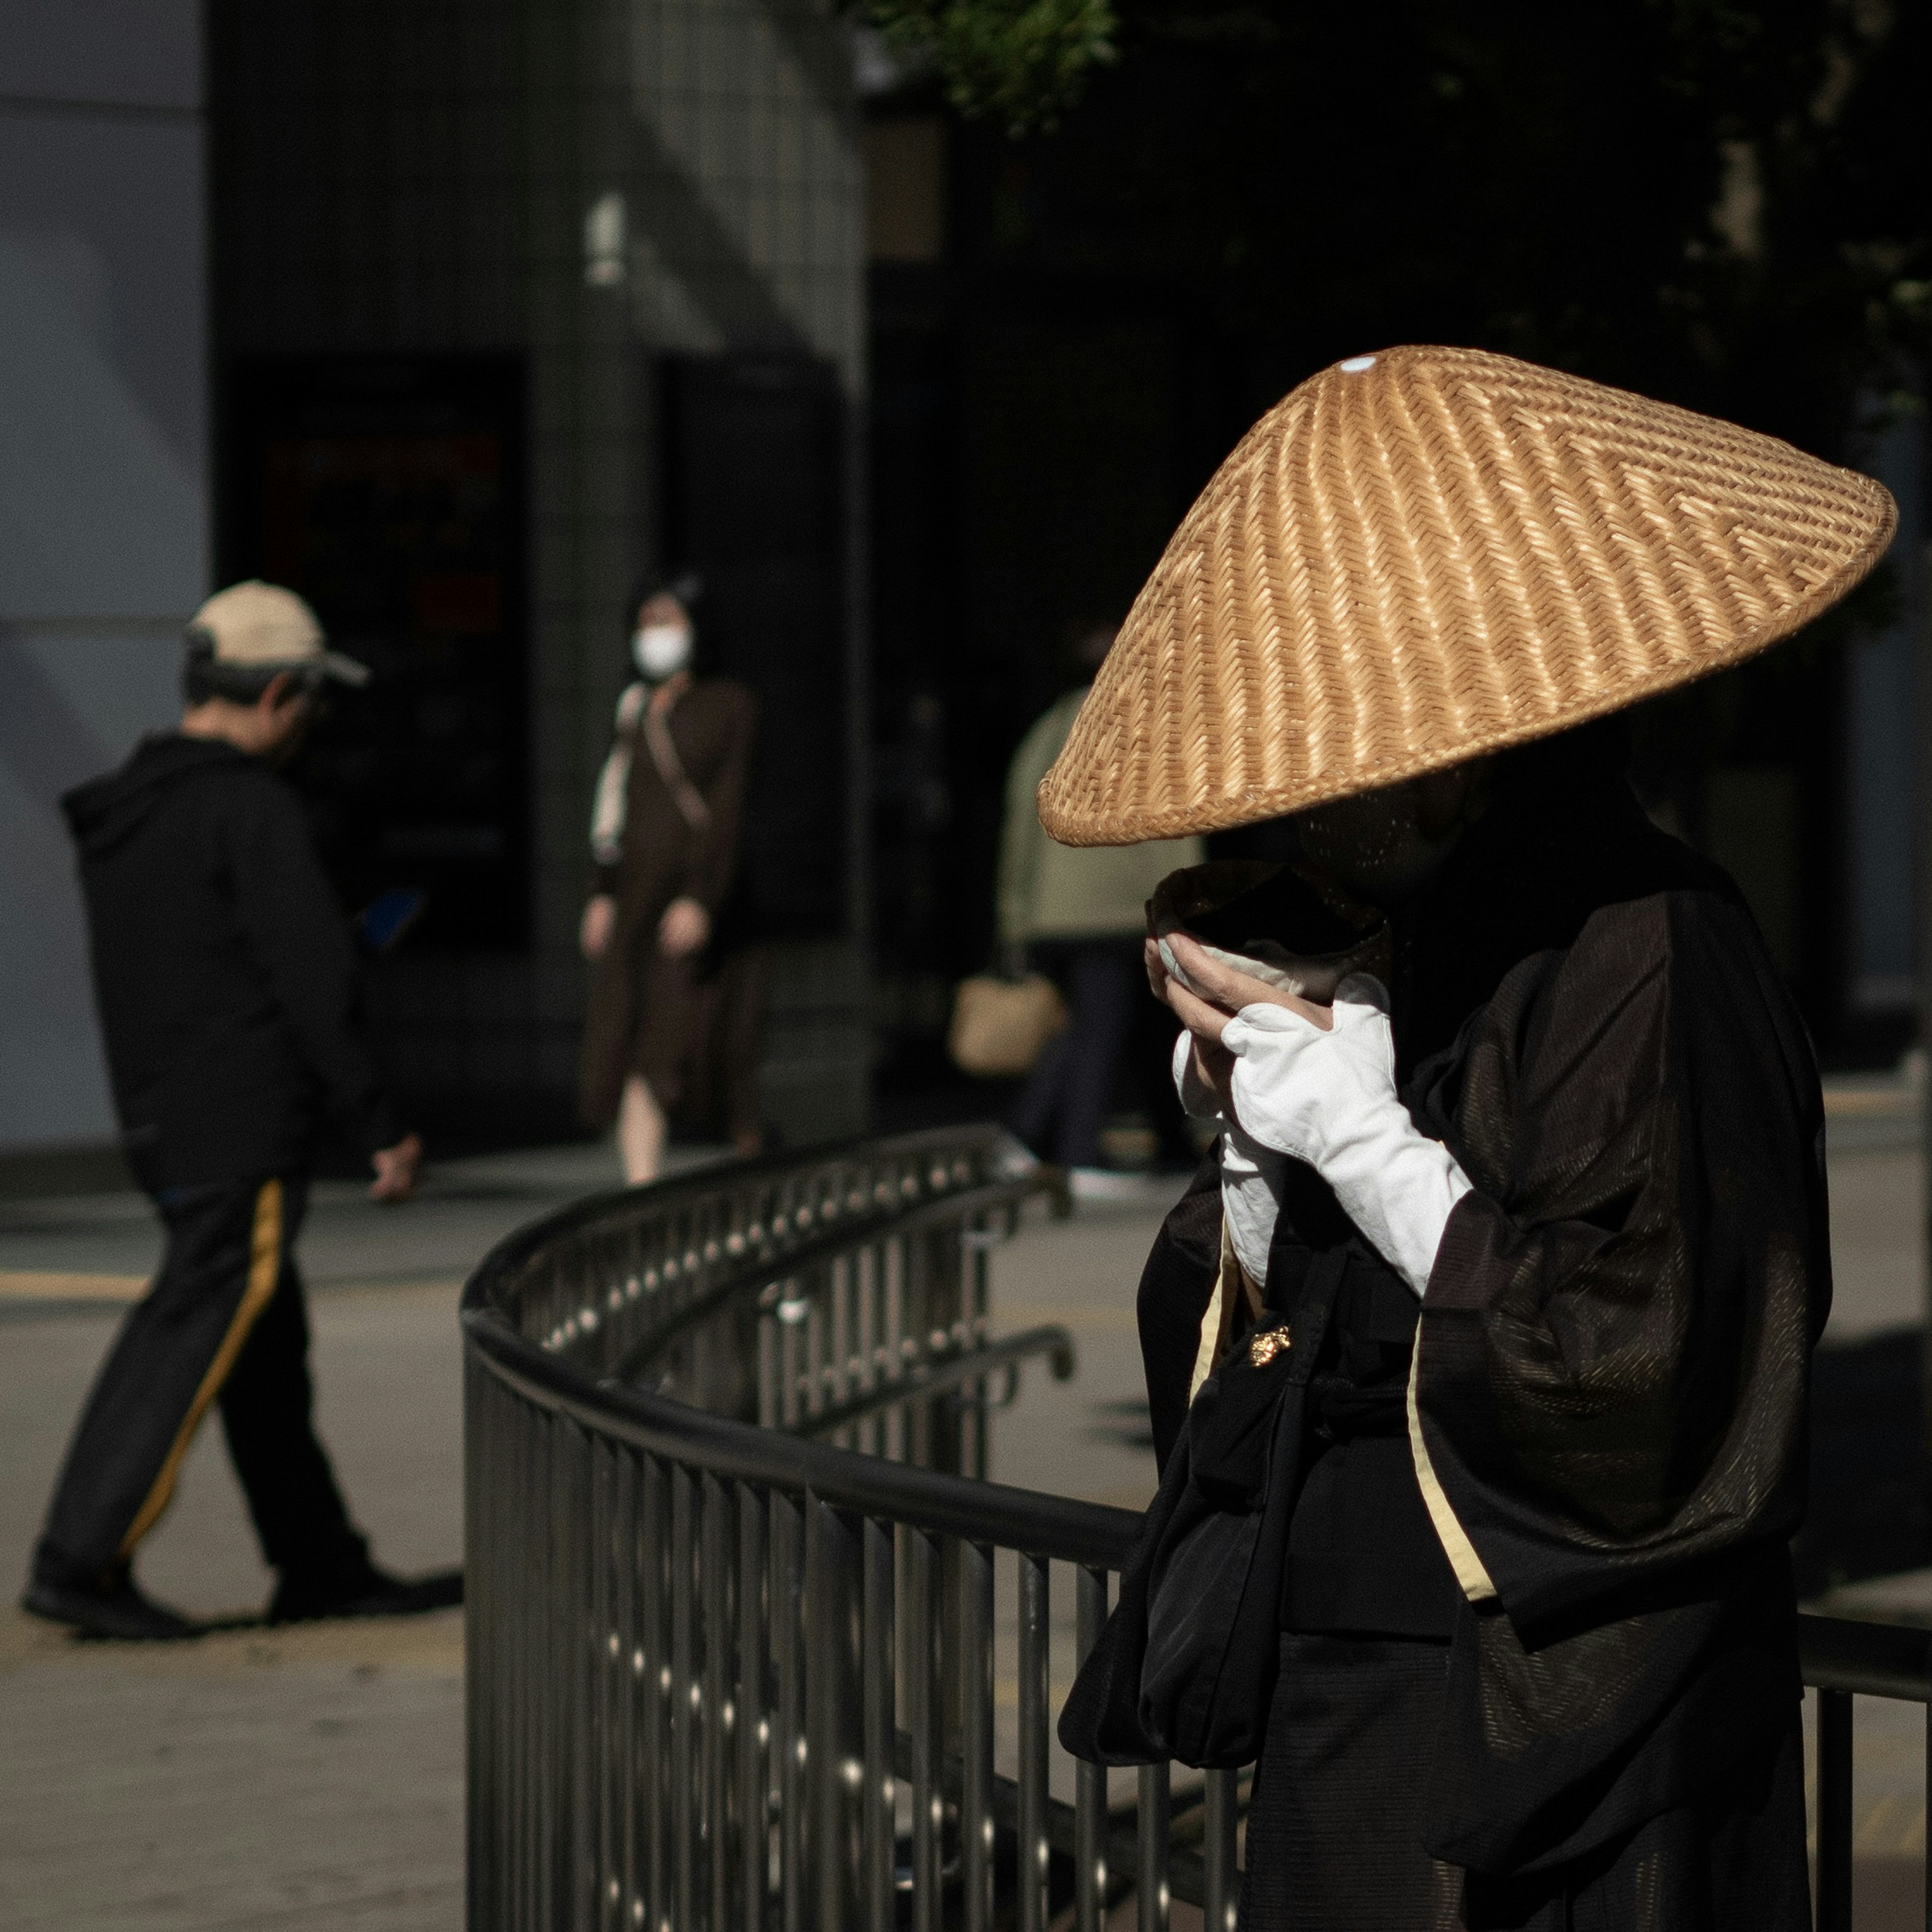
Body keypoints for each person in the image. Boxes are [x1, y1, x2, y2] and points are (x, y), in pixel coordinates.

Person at [1039, 347, 1898, 1927]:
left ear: (1467, 751)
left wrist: (1371, 1152)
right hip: (1345, 1673)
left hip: (1565, 1699)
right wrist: (1251, 1156)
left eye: (1355, 759)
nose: (1308, 807)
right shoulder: (1390, 930)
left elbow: (1639, 1364)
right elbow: (1270, 1360)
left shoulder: (1650, 947)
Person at [24, 581, 459, 1642]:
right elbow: (312, 977)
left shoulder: (132, 808)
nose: (311, 724)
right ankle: (80, 1557)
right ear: (274, 695)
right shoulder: (250, 809)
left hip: (160, 1116)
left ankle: (320, 1562)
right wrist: (378, 1125)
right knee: (198, 1321)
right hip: (241, 1121)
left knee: (265, 1344)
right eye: (310, 702)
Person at [996, 623, 1202, 1180]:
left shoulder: (1047, 732)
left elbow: (1019, 831)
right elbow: (1176, 818)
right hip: (1121, 908)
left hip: (1060, 914)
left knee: (1098, 1026)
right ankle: (1073, 1151)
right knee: (1127, 1027)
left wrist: (1015, 921)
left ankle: (1157, 1141)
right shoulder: (1145, 723)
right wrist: (1190, 895)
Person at [579, 580, 762, 1182]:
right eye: (646, 620)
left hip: (697, 902)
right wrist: (603, 890)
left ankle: (745, 1159)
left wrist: (703, 896)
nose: (654, 633)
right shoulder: (633, 706)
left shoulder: (729, 703)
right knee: (636, 1042)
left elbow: (731, 806)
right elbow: (612, 801)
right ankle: (642, 1185)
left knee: (700, 1042)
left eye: (669, 620)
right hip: (636, 898)